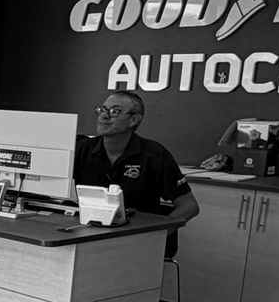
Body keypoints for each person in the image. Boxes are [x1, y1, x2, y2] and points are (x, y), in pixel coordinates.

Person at [74, 92, 199, 250]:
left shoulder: (153, 154)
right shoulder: (82, 149)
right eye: (102, 110)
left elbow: (189, 206)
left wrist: (157, 235)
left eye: (114, 111)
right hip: (89, 234)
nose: (104, 116)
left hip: (136, 242)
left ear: (134, 120)